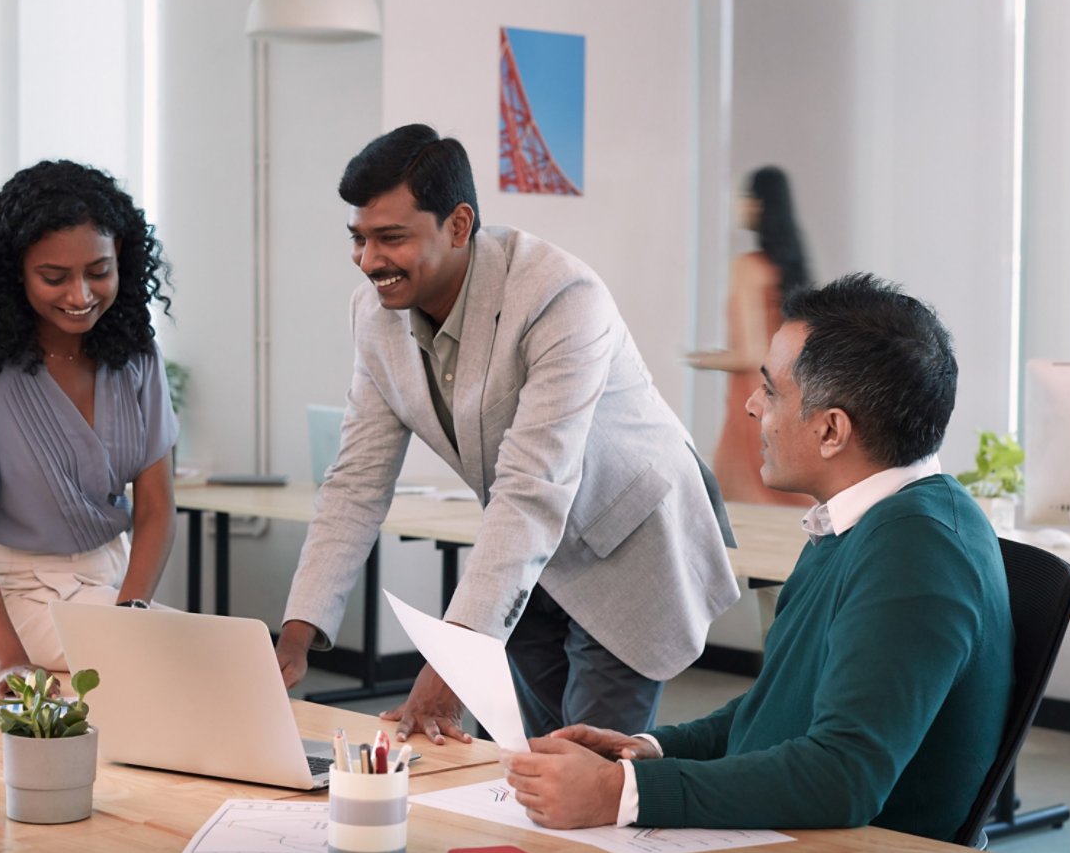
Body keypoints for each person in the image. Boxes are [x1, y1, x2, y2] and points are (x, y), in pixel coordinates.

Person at [505, 273, 1015, 843]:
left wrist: (618, 795)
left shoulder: (919, 551)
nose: (751, 406)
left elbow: (841, 777)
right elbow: (781, 709)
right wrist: (646, 752)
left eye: (770, 391)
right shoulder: (858, 521)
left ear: (830, 430)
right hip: (802, 849)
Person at [275, 124, 740, 744]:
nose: (368, 261)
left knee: (590, 768)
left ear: (459, 225)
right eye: (358, 239)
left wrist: (454, 660)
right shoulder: (375, 316)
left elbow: (532, 484)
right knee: (531, 757)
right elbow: (356, 481)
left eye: (390, 238)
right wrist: (298, 630)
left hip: (628, 536)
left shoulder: (559, 295)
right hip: (531, 557)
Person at [0, 160, 178, 695]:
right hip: (18, 598)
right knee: (189, 666)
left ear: (121, 257)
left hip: (115, 585)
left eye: (98, 272)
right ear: (16, 272)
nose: (80, 295)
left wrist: (131, 609)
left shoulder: (135, 356)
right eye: (54, 277)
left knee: (199, 658)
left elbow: (155, 507)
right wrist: (10, 661)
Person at [688, 166, 813, 507]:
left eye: (745, 197)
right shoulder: (791, 269)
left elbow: (749, 353)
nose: (739, 205)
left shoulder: (747, 267)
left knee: (740, 510)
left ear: (760, 205)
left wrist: (699, 359)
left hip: (751, 398)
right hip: (790, 393)